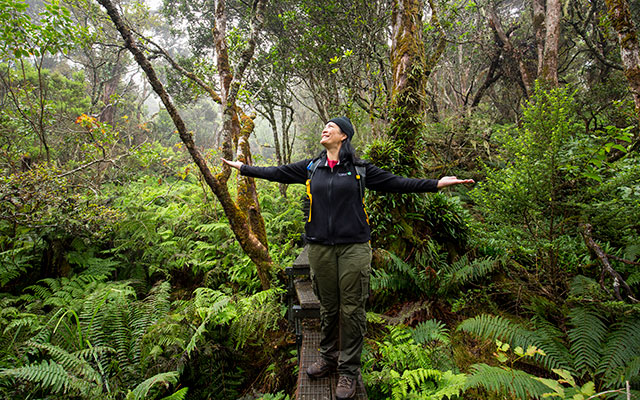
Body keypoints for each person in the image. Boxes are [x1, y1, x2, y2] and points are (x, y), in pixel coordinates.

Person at [223, 116, 474, 399]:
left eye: (332, 126)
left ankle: (348, 371)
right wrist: (243, 168)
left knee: (351, 310)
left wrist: (435, 183)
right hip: (320, 248)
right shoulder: (311, 167)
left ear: (344, 136)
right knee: (328, 308)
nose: (325, 128)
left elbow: (397, 183)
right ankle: (328, 358)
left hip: (354, 246)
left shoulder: (359, 169)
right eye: (324, 125)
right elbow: (277, 172)